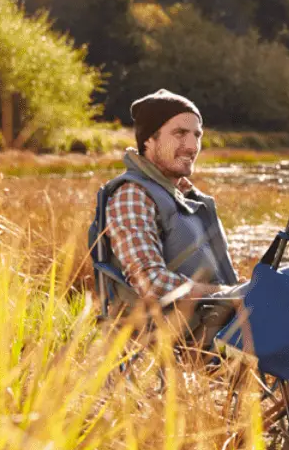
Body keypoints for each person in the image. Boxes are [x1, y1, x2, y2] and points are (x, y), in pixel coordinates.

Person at [97, 89, 243, 327]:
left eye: (197, 135)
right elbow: (152, 283)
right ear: (149, 140)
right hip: (175, 336)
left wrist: (239, 291)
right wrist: (227, 294)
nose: (192, 146)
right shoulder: (132, 196)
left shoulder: (185, 196)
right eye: (179, 133)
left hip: (219, 322)